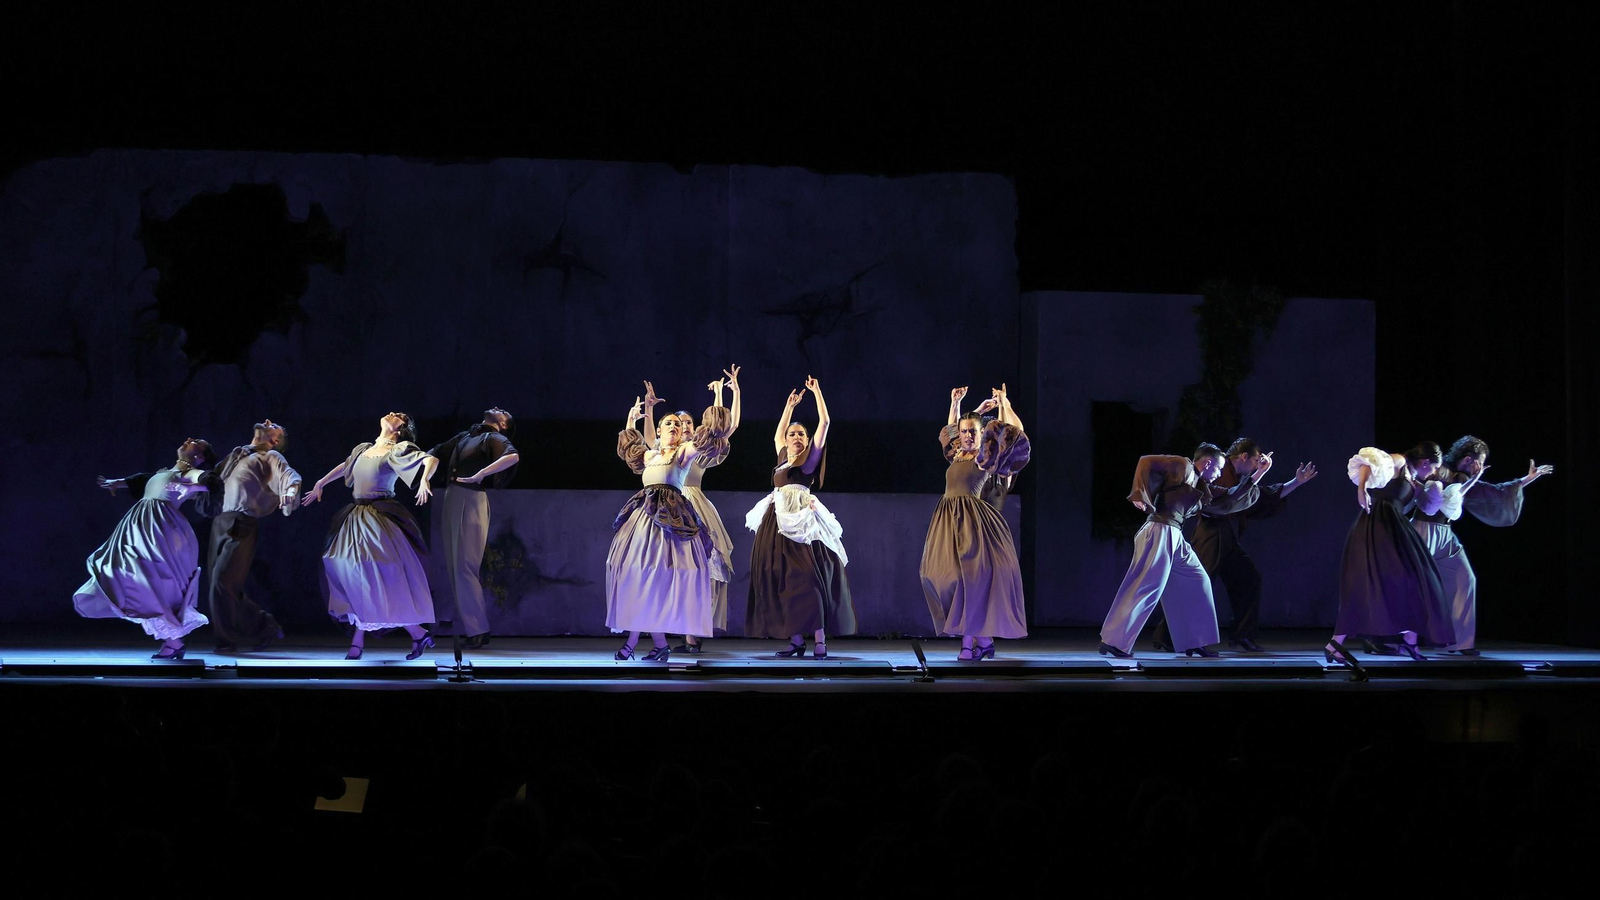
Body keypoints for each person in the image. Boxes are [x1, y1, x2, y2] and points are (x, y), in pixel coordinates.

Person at [1148, 438, 1319, 652]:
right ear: (1244, 456)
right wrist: (1259, 474)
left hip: (1227, 537)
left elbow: (1256, 496)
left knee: (1249, 578)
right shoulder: (1222, 469)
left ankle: (1242, 635)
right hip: (1211, 536)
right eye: (1256, 459)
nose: (1258, 464)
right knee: (1197, 585)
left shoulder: (1237, 476)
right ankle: (1168, 636)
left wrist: (1295, 482)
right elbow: (1228, 498)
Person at [1098, 444, 1267, 658]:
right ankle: (1114, 641)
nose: (1219, 474)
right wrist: (1140, 493)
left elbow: (1232, 498)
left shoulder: (1202, 486)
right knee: (1147, 586)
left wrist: (1259, 472)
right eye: (1218, 469)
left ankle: (1194, 641)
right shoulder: (1183, 465)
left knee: (1197, 580)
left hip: (1174, 534)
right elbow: (1146, 460)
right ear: (1208, 463)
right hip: (1159, 529)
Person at [302, 412, 440, 659]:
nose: (391, 414)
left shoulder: (399, 448)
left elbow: (430, 460)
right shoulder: (364, 449)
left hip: (379, 517)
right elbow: (347, 466)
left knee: (377, 575)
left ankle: (365, 640)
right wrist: (322, 482)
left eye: (398, 416)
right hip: (356, 516)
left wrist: (424, 481)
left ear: (401, 428)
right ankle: (417, 633)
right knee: (346, 568)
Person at [608, 382, 724, 661]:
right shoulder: (650, 455)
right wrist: (634, 417)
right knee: (637, 575)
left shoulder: (683, 454)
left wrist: (718, 399)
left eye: (676, 424)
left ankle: (634, 640)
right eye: (668, 424)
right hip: (643, 520)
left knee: (659, 578)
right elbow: (630, 447)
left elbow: (710, 435)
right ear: (658, 432)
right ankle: (657, 643)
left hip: (672, 521)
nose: (673, 427)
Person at [73, 437, 218, 658]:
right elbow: (145, 480)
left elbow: (211, 482)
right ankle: (173, 642)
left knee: (155, 581)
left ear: (199, 457)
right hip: (139, 528)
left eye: (196, 442)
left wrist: (193, 487)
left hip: (162, 531)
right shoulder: (164, 473)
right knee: (128, 572)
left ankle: (173, 641)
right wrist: (117, 482)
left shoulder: (188, 474)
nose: (189, 440)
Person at [1413, 436, 1555, 655]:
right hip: (1423, 530)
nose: (1479, 465)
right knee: (1415, 585)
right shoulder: (1439, 469)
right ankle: (1399, 640)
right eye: (1478, 461)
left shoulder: (1466, 477)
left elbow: (1494, 491)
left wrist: (1527, 479)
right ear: (1468, 458)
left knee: (1465, 579)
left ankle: (1461, 643)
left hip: (1445, 534)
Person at [745, 377, 855, 658]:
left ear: (807, 442)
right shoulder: (782, 457)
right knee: (781, 577)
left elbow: (825, 424)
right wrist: (789, 406)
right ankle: (796, 640)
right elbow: (777, 433)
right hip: (777, 520)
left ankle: (819, 639)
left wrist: (817, 392)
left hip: (802, 520)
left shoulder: (809, 460)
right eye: (792, 434)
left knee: (808, 578)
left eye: (800, 435)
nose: (795, 437)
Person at [920, 384, 1032, 659]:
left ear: (983, 434)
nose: (967, 436)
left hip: (976, 526)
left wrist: (1004, 403)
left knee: (969, 580)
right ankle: (983, 640)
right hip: (948, 522)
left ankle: (968, 642)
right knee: (938, 576)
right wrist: (956, 404)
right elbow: (951, 431)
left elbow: (1016, 434)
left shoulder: (989, 459)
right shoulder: (958, 454)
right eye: (965, 431)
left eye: (974, 431)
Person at [1326, 447, 1452, 663]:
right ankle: (1335, 645)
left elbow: (1431, 507)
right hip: (1377, 522)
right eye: (1433, 467)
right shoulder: (1399, 462)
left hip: (1395, 527)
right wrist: (1361, 489)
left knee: (1418, 578)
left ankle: (1410, 640)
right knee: (1364, 584)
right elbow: (1367, 462)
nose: (1433, 472)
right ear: (1424, 462)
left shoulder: (1415, 480)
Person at [428, 408, 520, 649]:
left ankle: (478, 630)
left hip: (470, 498)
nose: (498, 409)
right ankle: (471, 627)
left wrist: (481, 473)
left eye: (503, 412)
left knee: (465, 566)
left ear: (502, 424)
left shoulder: (493, 437)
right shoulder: (465, 436)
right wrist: (425, 475)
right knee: (455, 567)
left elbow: (512, 457)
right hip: (453, 496)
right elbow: (435, 453)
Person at [206, 419, 301, 652]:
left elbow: (290, 476)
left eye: (274, 425)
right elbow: (210, 480)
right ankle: (264, 625)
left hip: (241, 522)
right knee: (219, 587)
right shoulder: (237, 456)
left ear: (274, 440)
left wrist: (289, 493)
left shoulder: (270, 457)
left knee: (222, 583)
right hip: (220, 521)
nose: (267, 421)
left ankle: (226, 641)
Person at [675, 365, 741, 654]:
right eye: (680, 424)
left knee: (701, 569)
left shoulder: (698, 448)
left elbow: (724, 427)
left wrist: (726, 394)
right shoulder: (667, 450)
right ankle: (676, 630)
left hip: (695, 505)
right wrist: (647, 414)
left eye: (689, 422)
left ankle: (693, 633)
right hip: (669, 504)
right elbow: (650, 439)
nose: (686, 427)